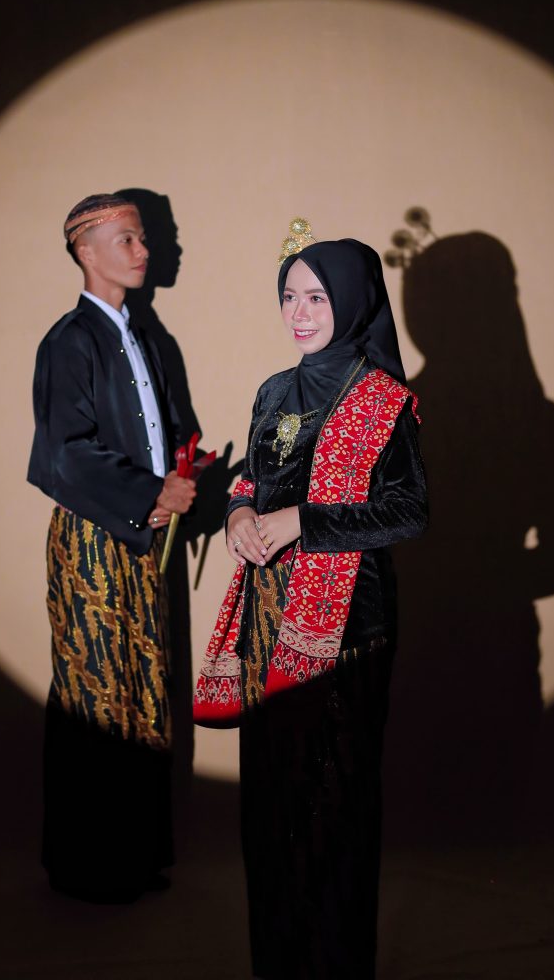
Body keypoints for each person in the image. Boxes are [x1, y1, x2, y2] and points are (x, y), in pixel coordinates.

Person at [194, 227, 428, 978]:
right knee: (269, 805)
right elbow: (250, 481)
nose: (298, 313)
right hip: (267, 624)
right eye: (289, 296)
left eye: (317, 298)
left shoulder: (385, 401)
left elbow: (410, 510)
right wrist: (238, 515)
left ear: (353, 301)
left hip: (346, 628)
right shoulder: (273, 390)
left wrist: (305, 521)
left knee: (333, 803)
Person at [28, 193, 197, 902]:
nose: (144, 250)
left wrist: (184, 481)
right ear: (85, 251)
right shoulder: (69, 342)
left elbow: (171, 434)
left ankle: (133, 857)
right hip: (93, 540)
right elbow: (63, 456)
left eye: (143, 238)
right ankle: (87, 866)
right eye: (127, 239)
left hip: (141, 537)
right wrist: (151, 493)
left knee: (143, 687)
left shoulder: (148, 340)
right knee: (97, 693)